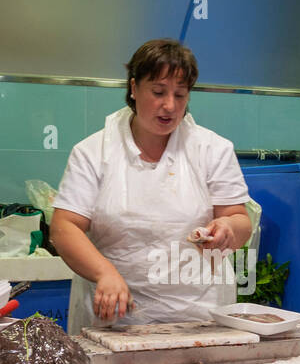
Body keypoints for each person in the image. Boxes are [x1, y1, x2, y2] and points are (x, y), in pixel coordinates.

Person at [50, 39, 251, 333]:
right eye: (158, 92)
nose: (169, 106)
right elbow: (64, 227)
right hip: (115, 320)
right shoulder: (94, 151)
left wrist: (228, 229)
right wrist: (104, 272)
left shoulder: (212, 149)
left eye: (180, 95)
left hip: (200, 317)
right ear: (134, 88)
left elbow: (239, 219)